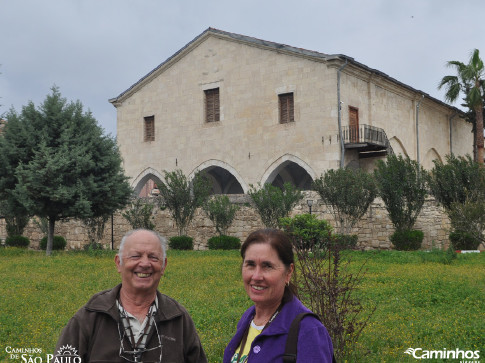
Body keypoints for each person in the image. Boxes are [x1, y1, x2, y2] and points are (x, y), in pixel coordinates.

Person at [54, 229, 207, 363]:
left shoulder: (179, 319)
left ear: (163, 266)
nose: (145, 263)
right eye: (135, 256)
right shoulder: (89, 317)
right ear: (118, 263)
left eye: (153, 257)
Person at [224, 228, 334, 363]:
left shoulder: (308, 330)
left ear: (288, 272)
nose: (256, 276)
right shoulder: (247, 318)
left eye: (267, 266)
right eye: (250, 264)